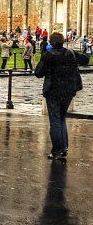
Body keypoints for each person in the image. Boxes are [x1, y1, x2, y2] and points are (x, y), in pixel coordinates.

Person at [34, 31, 89, 160]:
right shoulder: (70, 53)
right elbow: (85, 59)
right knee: (62, 118)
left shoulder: (48, 55)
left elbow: (38, 73)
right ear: (63, 41)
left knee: (55, 121)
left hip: (53, 91)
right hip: (68, 91)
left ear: (51, 43)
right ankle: (64, 147)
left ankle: (57, 150)